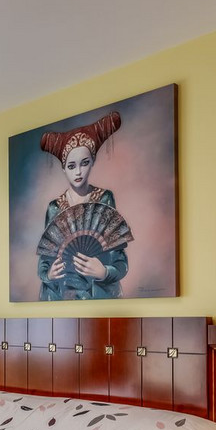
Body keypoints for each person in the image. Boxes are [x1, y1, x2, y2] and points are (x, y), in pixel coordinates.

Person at [36, 111, 128, 300]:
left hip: (97, 293)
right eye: (71, 166)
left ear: (92, 162)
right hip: (61, 293)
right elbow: (45, 260)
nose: (78, 172)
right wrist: (49, 274)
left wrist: (104, 272)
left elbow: (120, 260)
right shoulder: (55, 207)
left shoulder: (104, 199)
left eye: (84, 163)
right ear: (64, 168)